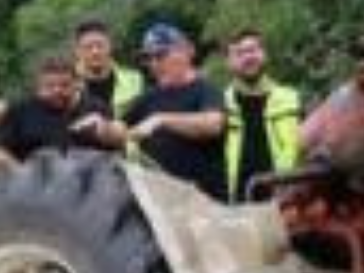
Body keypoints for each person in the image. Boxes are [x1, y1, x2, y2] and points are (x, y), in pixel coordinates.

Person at [92, 23, 226, 199]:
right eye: (149, 58)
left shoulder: (206, 90)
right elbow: (122, 129)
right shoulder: (149, 97)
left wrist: (162, 120)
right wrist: (103, 128)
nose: (154, 64)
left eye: (161, 55)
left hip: (204, 201)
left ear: (187, 51)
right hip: (161, 201)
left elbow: (213, 124)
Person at [0, 53, 113, 175]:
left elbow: (115, 149)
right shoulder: (20, 110)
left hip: (89, 186)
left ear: (76, 84)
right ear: (38, 86)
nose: (57, 90)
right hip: (36, 186)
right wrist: (24, 176)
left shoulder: (96, 108)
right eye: (49, 86)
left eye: (65, 85)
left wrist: (106, 131)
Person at [222, 28, 301, 202]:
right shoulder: (219, 106)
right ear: (228, 62)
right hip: (235, 205)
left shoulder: (292, 99)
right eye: (239, 53)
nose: (248, 57)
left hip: (285, 202)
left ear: (264, 54)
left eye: (253, 50)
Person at [73, 17, 143, 118]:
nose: (95, 52)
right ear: (77, 51)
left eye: (100, 45)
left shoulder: (135, 79)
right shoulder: (67, 85)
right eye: (88, 47)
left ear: (110, 46)